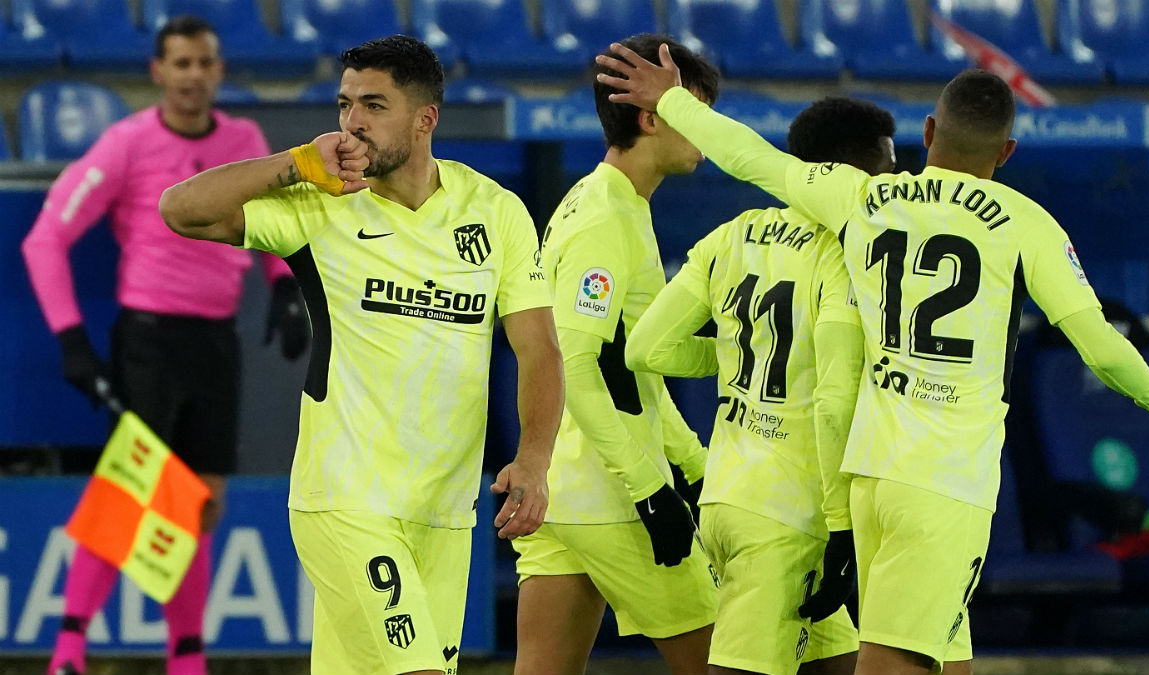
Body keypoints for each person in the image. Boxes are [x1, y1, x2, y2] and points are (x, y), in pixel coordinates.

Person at [596, 55, 1149, 675]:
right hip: (946, 484)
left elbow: (748, 155)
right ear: (1007, 152)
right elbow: (1096, 337)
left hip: (871, 475)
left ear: (929, 132)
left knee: (944, 651)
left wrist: (673, 101)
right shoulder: (1026, 221)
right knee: (892, 661)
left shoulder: (864, 197)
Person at [158, 34, 564, 675]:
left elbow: (539, 347)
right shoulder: (320, 205)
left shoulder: (495, 211)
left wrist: (535, 458)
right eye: (345, 104)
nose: (351, 123)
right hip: (348, 501)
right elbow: (180, 209)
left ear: (425, 118)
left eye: (373, 105)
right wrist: (294, 163)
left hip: (445, 512)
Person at [20, 16, 308, 675]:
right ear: (157, 73)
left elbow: (271, 223)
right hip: (149, 341)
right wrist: (71, 341)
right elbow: (44, 239)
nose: (192, 76)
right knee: (131, 492)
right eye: (180, 64)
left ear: (219, 70)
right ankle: (68, 649)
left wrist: (285, 286)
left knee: (200, 500)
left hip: (217, 343)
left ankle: (187, 656)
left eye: (204, 63)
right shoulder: (126, 144)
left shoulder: (245, 140)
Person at [626, 97, 897, 675]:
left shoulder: (734, 234)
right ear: (848, 175)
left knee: (841, 663)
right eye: (886, 170)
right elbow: (831, 403)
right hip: (792, 517)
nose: (892, 185)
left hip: (727, 499)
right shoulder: (842, 250)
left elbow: (646, 348)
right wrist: (843, 524)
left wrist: (729, 356)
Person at [508, 33, 719, 675]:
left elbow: (634, 367)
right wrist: (653, 489)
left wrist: (691, 459)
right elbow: (579, 364)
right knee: (727, 662)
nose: (708, 132)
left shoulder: (606, 202)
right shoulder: (605, 217)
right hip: (609, 494)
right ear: (653, 117)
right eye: (699, 112)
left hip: (563, 490)